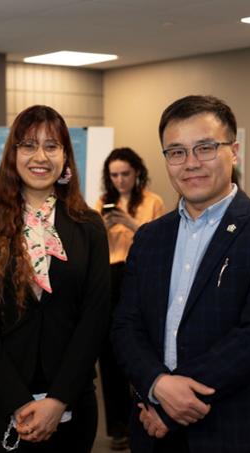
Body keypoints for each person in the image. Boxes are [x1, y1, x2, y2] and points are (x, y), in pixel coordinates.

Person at [112, 95, 250, 453]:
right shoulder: (150, 237)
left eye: (204, 148)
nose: (191, 164)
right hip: (152, 431)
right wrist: (156, 385)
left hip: (238, 431)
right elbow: (126, 325)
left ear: (234, 151)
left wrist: (170, 406)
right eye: (177, 152)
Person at [0, 105, 110, 452]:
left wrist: (58, 400)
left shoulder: (89, 228)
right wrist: (17, 400)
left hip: (71, 400)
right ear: (13, 155)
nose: (40, 156)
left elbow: (95, 317)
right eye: (28, 145)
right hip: (1, 400)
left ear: (65, 157)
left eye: (52, 146)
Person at [95, 147, 164, 450]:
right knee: (109, 353)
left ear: (137, 173)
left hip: (139, 275)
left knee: (140, 349)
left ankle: (146, 417)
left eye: (125, 173)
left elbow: (161, 242)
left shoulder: (153, 201)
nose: (120, 180)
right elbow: (91, 244)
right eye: (114, 175)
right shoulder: (100, 202)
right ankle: (118, 428)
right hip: (108, 275)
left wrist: (131, 223)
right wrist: (103, 227)